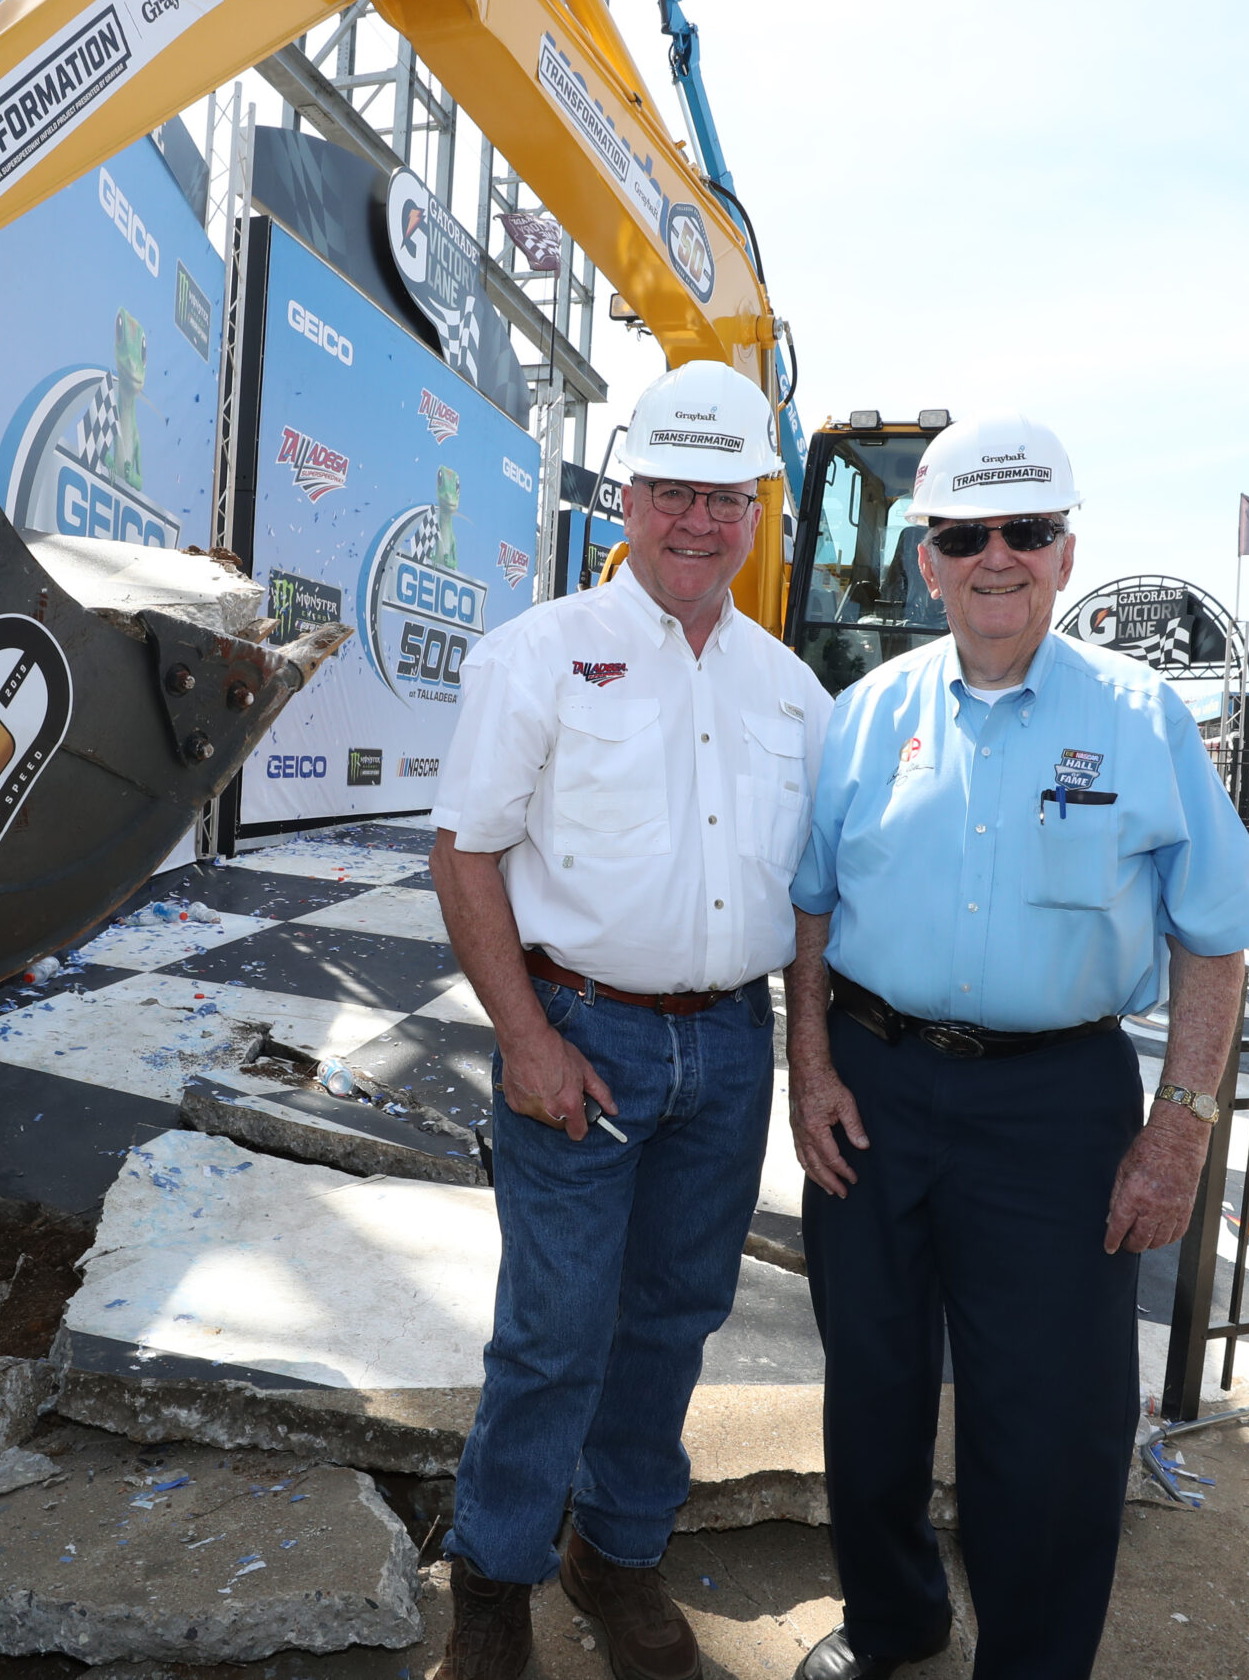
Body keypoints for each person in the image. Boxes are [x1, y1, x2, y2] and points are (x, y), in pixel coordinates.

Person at [784, 415, 1249, 1680]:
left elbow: (1214, 939)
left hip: (1056, 1103)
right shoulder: (863, 715)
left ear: (1065, 553)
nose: (994, 556)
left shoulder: (1142, 716)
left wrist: (1178, 1128)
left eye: (1026, 530)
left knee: (1052, 1416)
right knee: (872, 1383)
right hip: (873, 1083)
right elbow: (811, 910)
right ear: (926, 560)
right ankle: (893, 1619)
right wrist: (812, 1070)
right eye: (964, 534)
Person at [428, 360, 834, 1680]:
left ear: (759, 511)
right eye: (673, 492)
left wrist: (807, 1060)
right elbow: (465, 853)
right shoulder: (537, 655)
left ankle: (615, 1553)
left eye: (727, 497)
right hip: (580, 1034)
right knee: (553, 1329)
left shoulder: (792, 692)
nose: (698, 521)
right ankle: (494, 1575)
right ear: (627, 495)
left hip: (728, 1044)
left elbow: (813, 899)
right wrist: (525, 1037)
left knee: (675, 1315)